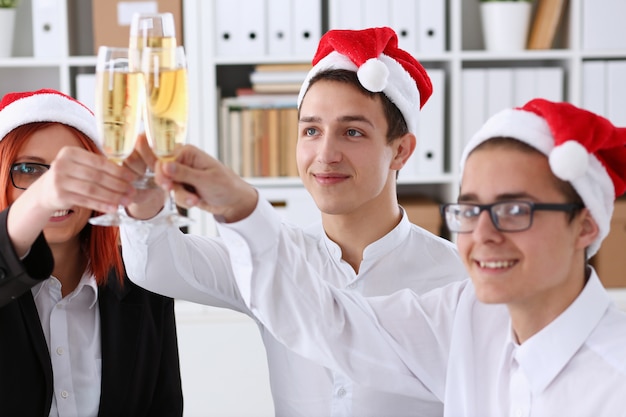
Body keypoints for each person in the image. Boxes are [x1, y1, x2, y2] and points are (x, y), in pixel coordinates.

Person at [162, 98, 626, 416]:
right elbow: (329, 322)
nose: (483, 234)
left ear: (585, 224)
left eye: (513, 210)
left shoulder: (614, 380)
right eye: (470, 209)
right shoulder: (466, 316)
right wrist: (240, 208)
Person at [121, 27, 466, 417]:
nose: (326, 153)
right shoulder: (270, 257)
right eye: (311, 130)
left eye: (352, 132)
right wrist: (144, 204)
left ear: (400, 150)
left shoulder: (457, 277)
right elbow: (155, 265)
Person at [0, 89, 183, 416]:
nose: (60, 188)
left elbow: (163, 406)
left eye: (76, 169)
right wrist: (40, 200)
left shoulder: (143, 280)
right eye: (28, 170)